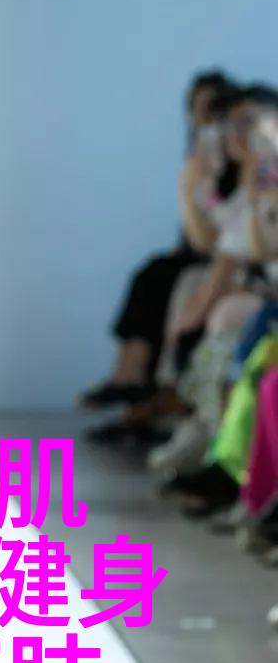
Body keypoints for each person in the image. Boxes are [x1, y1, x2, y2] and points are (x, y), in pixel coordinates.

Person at [79, 69, 234, 411]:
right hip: (200, 250)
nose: (203, 116)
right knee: (151, 273)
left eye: (211, 108)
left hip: (217, 255)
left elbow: (215, 232)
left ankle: (145, 387)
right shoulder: (198, 159)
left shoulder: (229, 164)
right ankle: (127, 377)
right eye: (196, 108)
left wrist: (191, 184)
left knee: (167, 279)